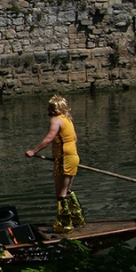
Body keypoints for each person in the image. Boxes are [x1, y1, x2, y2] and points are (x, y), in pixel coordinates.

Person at [24, 95, 84, 233]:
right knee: (68, 190)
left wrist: (34, 151)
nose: (47, 109)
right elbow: (74, 138)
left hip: (64, 158)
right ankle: (77, 219)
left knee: (61, 193)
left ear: (55, 108)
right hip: (73, 156)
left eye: (50, 107)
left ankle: (64, 225)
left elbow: (49, 138)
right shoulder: (67, 119)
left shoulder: (56, 120)